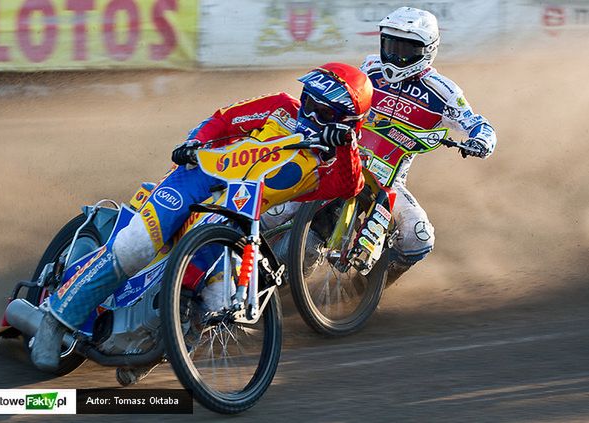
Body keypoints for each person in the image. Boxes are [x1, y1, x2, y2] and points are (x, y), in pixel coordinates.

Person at [30, 62, 374, 384]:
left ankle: (158, 350)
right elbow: (224, 119)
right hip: (197, 177)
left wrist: (344, 145)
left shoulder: (332, 164)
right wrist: (194, 141)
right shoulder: (281, 106)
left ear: (348, 121)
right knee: (135, 246)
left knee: (220, 302)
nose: (308, 113)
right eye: (308, 101)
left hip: (235, 217)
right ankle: (56, 320)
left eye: (323, 111)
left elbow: (350, 186)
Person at [360, 7, 497, 284]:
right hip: (344, 159)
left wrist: (480, 141)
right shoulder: (369, 68)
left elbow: (478, 125)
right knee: (282, 210)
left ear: (428, 49)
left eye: (407, 49)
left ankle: (363, 290)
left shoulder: (444, 92)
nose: (397, 56)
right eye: (391, 45)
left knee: (418, 236)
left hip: (390, 181)